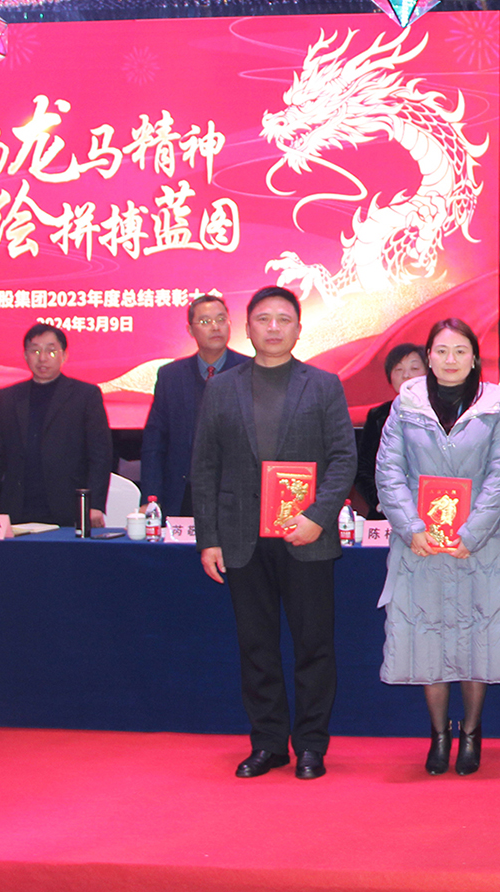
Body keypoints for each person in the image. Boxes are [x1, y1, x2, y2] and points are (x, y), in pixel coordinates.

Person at [191, 285, 356, 781]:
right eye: (263, 319)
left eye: (284, 319)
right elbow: (205, 466)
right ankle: (267, 743)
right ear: (248, 328)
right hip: (242, 538)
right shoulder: (222, 388)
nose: (274, 328)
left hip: (306, 536)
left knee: (313, 646)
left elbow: (344, 459)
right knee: (256, 646)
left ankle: (310, 745)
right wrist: (209, 538)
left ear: (299, 329)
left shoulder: (323, 385)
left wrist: (318, 516)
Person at [376, 318, 500, 776]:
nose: (451, 359)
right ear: (429, 357)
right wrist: (411, 527)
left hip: (477, 546)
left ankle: (471, 733)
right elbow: (388, 471)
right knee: (427, 639)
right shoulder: (406, 405)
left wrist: (471, 533)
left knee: (480, 638)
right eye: (441, 351)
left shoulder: (495, 406)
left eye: (460, 351)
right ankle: (439, 734)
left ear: (474, 358)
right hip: (420, 546)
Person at [0, 323, 111, 528]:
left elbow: (100, 455)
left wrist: (94, 504)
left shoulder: (85, 396)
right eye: (35, 351)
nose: (43, 358)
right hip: (17, 507)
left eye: (51, 351)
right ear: (25, 355)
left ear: (64, 356)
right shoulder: (8, 398)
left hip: (68, 508)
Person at [142, 295, 249, 515]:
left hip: (237, 495)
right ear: (190, 330)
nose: (215, 327)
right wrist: (151, 497)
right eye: (205, 321)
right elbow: (155, 441)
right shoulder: (171, 376)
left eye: (221, 319)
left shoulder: (250, 371)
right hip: (182, 493)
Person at [355, 343, 429, 519]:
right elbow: (363, 468)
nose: (406, 375)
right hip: (385, 513)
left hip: (432, 511)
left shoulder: (444, 414)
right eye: (398, 370)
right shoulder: (378, 415)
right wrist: (381, 500)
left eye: (414, 368)